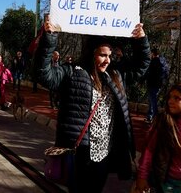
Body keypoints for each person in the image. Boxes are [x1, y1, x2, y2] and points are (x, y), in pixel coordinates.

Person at [36, 19, 150, 193]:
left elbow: (142, 66)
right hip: (80, 152)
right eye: (103, 55)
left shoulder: (115, 75)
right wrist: (49, 37)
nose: (107, 60)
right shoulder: (73, 72)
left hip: (105, 153)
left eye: (110, 56)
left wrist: (141, 40)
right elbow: (43, 74)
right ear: (91, 54)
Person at [144, 48, 168, 123]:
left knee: (153, 100)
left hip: (152, 83)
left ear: (153, 53)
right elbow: (166, 73)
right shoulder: (163, 61)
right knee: (152, 99)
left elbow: (149, 73)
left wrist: (144, 79)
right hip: (159, 84)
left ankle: (155, 117)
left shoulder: (154, 61)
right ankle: (150, 116)